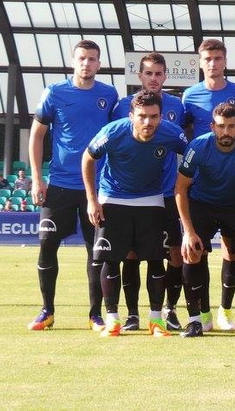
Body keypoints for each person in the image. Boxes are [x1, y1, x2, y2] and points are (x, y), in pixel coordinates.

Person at [26, 40, 118, 332]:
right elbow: (37, 135)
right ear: (73, 61)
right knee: (46, 244)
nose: (86, 63)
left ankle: (95, 315)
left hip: (97, 189)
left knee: (97, 250)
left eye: (92, 59)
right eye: (81, 58)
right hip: (60, 185)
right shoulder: (55, 92)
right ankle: (47, 311)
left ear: (99, 64)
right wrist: (37, 178)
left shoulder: (109, 94)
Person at [82, 90, 187, 338]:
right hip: (113, 198)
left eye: (154, 116)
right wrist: (92, 200)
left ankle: (156, 320)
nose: (148, 122)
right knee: (111, 260)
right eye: (142, 116)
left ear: (161, 116)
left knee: (155, 259)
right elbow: (87, 158)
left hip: (151, 199)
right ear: (131, 116)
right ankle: (113, 320)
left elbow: (194, 154)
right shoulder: (113, 132)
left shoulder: (172, 133)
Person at [175, 103, 235, 338]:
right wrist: (188, 232)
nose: (225, 131)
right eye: (220, 126)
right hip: (203, 203)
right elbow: (181, 188)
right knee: (192, 252)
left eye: (231, 126)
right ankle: (196, 320)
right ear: (212, 127)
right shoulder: (198, 146)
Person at [111, 52, 187, 332]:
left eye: (158, 73)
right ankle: (132, 314)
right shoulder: (122, 106)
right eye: (148, 73)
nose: (153, 78)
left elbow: (185, 147)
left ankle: (170, 310)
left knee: (174, 254)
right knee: (131, 254)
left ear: (166, 76)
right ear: (139, 75)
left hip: (167, 194)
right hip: (133, 195)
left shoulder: (178, 106)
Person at [181, 39, 235, 331]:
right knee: (197, 250)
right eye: (207, 58)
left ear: (225, 61)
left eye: (218, 58)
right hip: (201, 186)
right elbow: (185, 133)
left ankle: (225, 310)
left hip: (234, 185)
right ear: (200, 62)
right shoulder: (190, 95)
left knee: (231, 251)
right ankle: (204, 313)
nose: (213, 63)